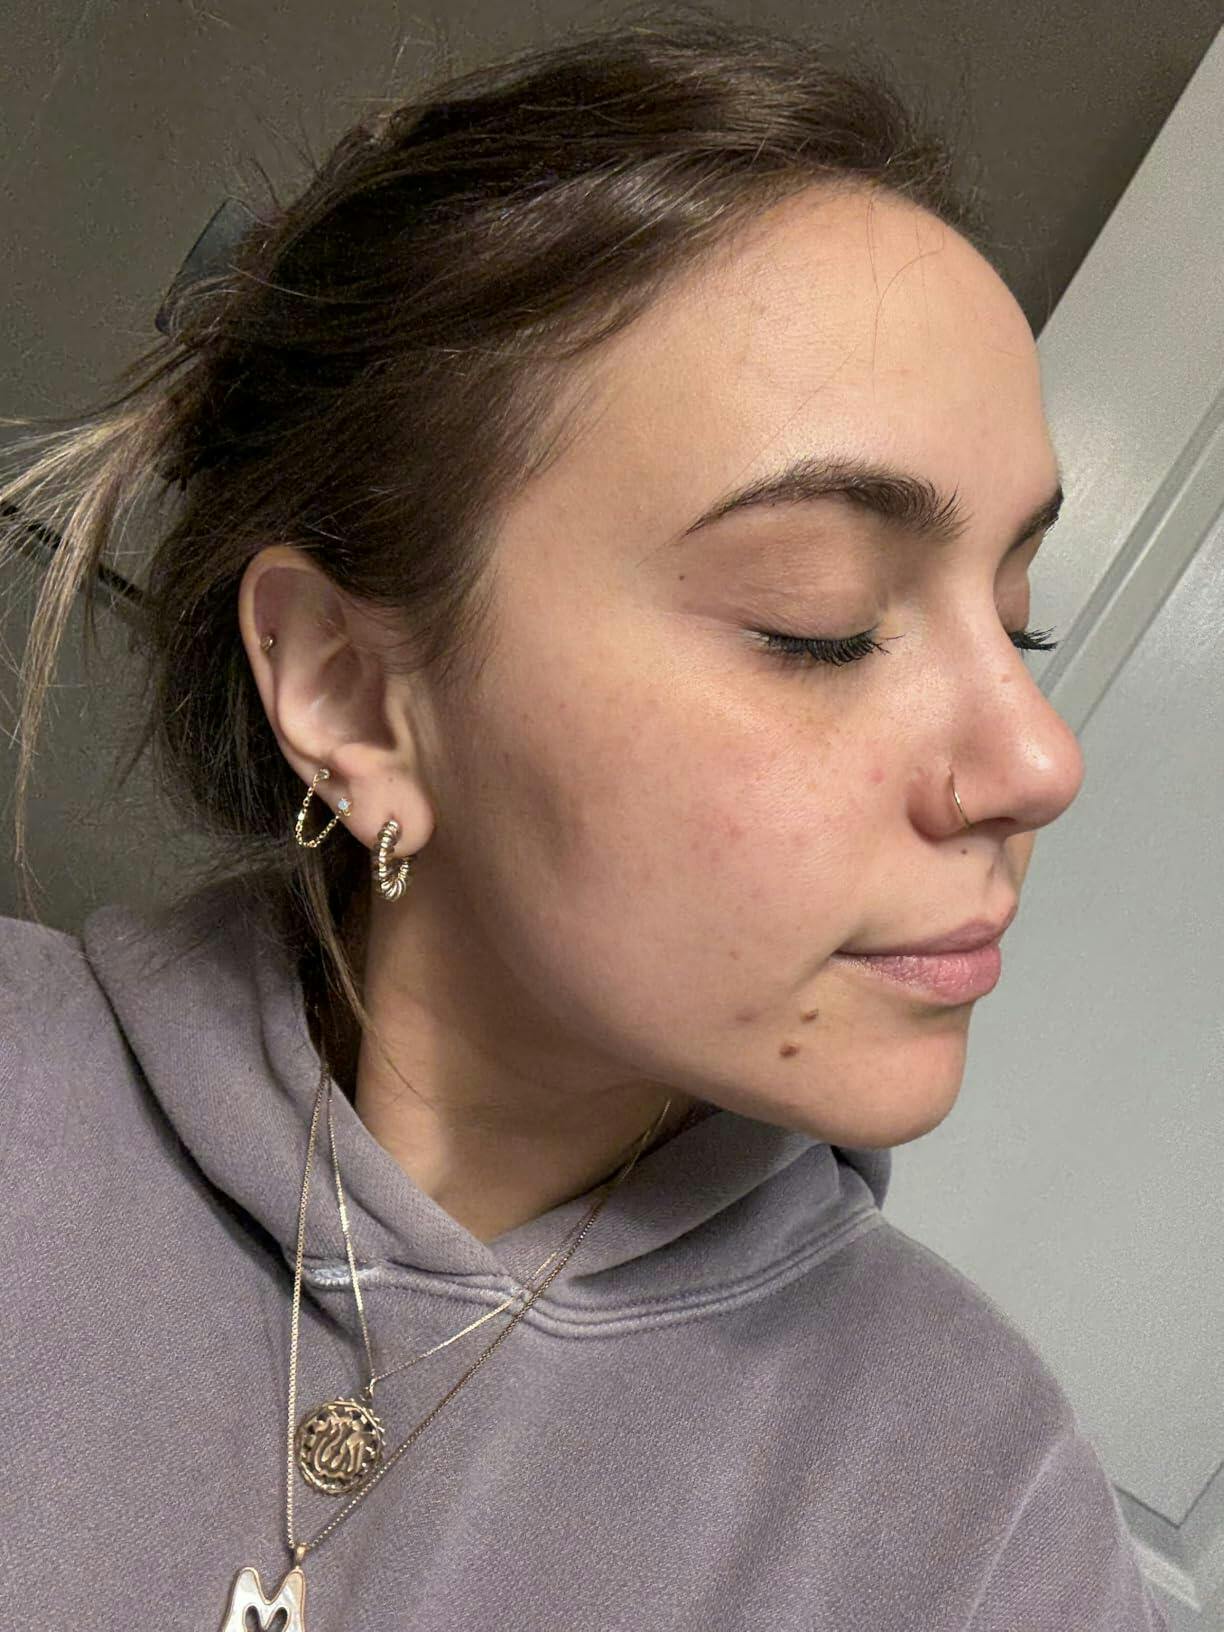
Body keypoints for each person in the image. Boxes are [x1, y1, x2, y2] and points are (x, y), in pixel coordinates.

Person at [0, 8, 1167, 1630]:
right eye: (821, 621)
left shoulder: (981, 1522)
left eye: (1018, 620)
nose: (1038, 759)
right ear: (351, 695)